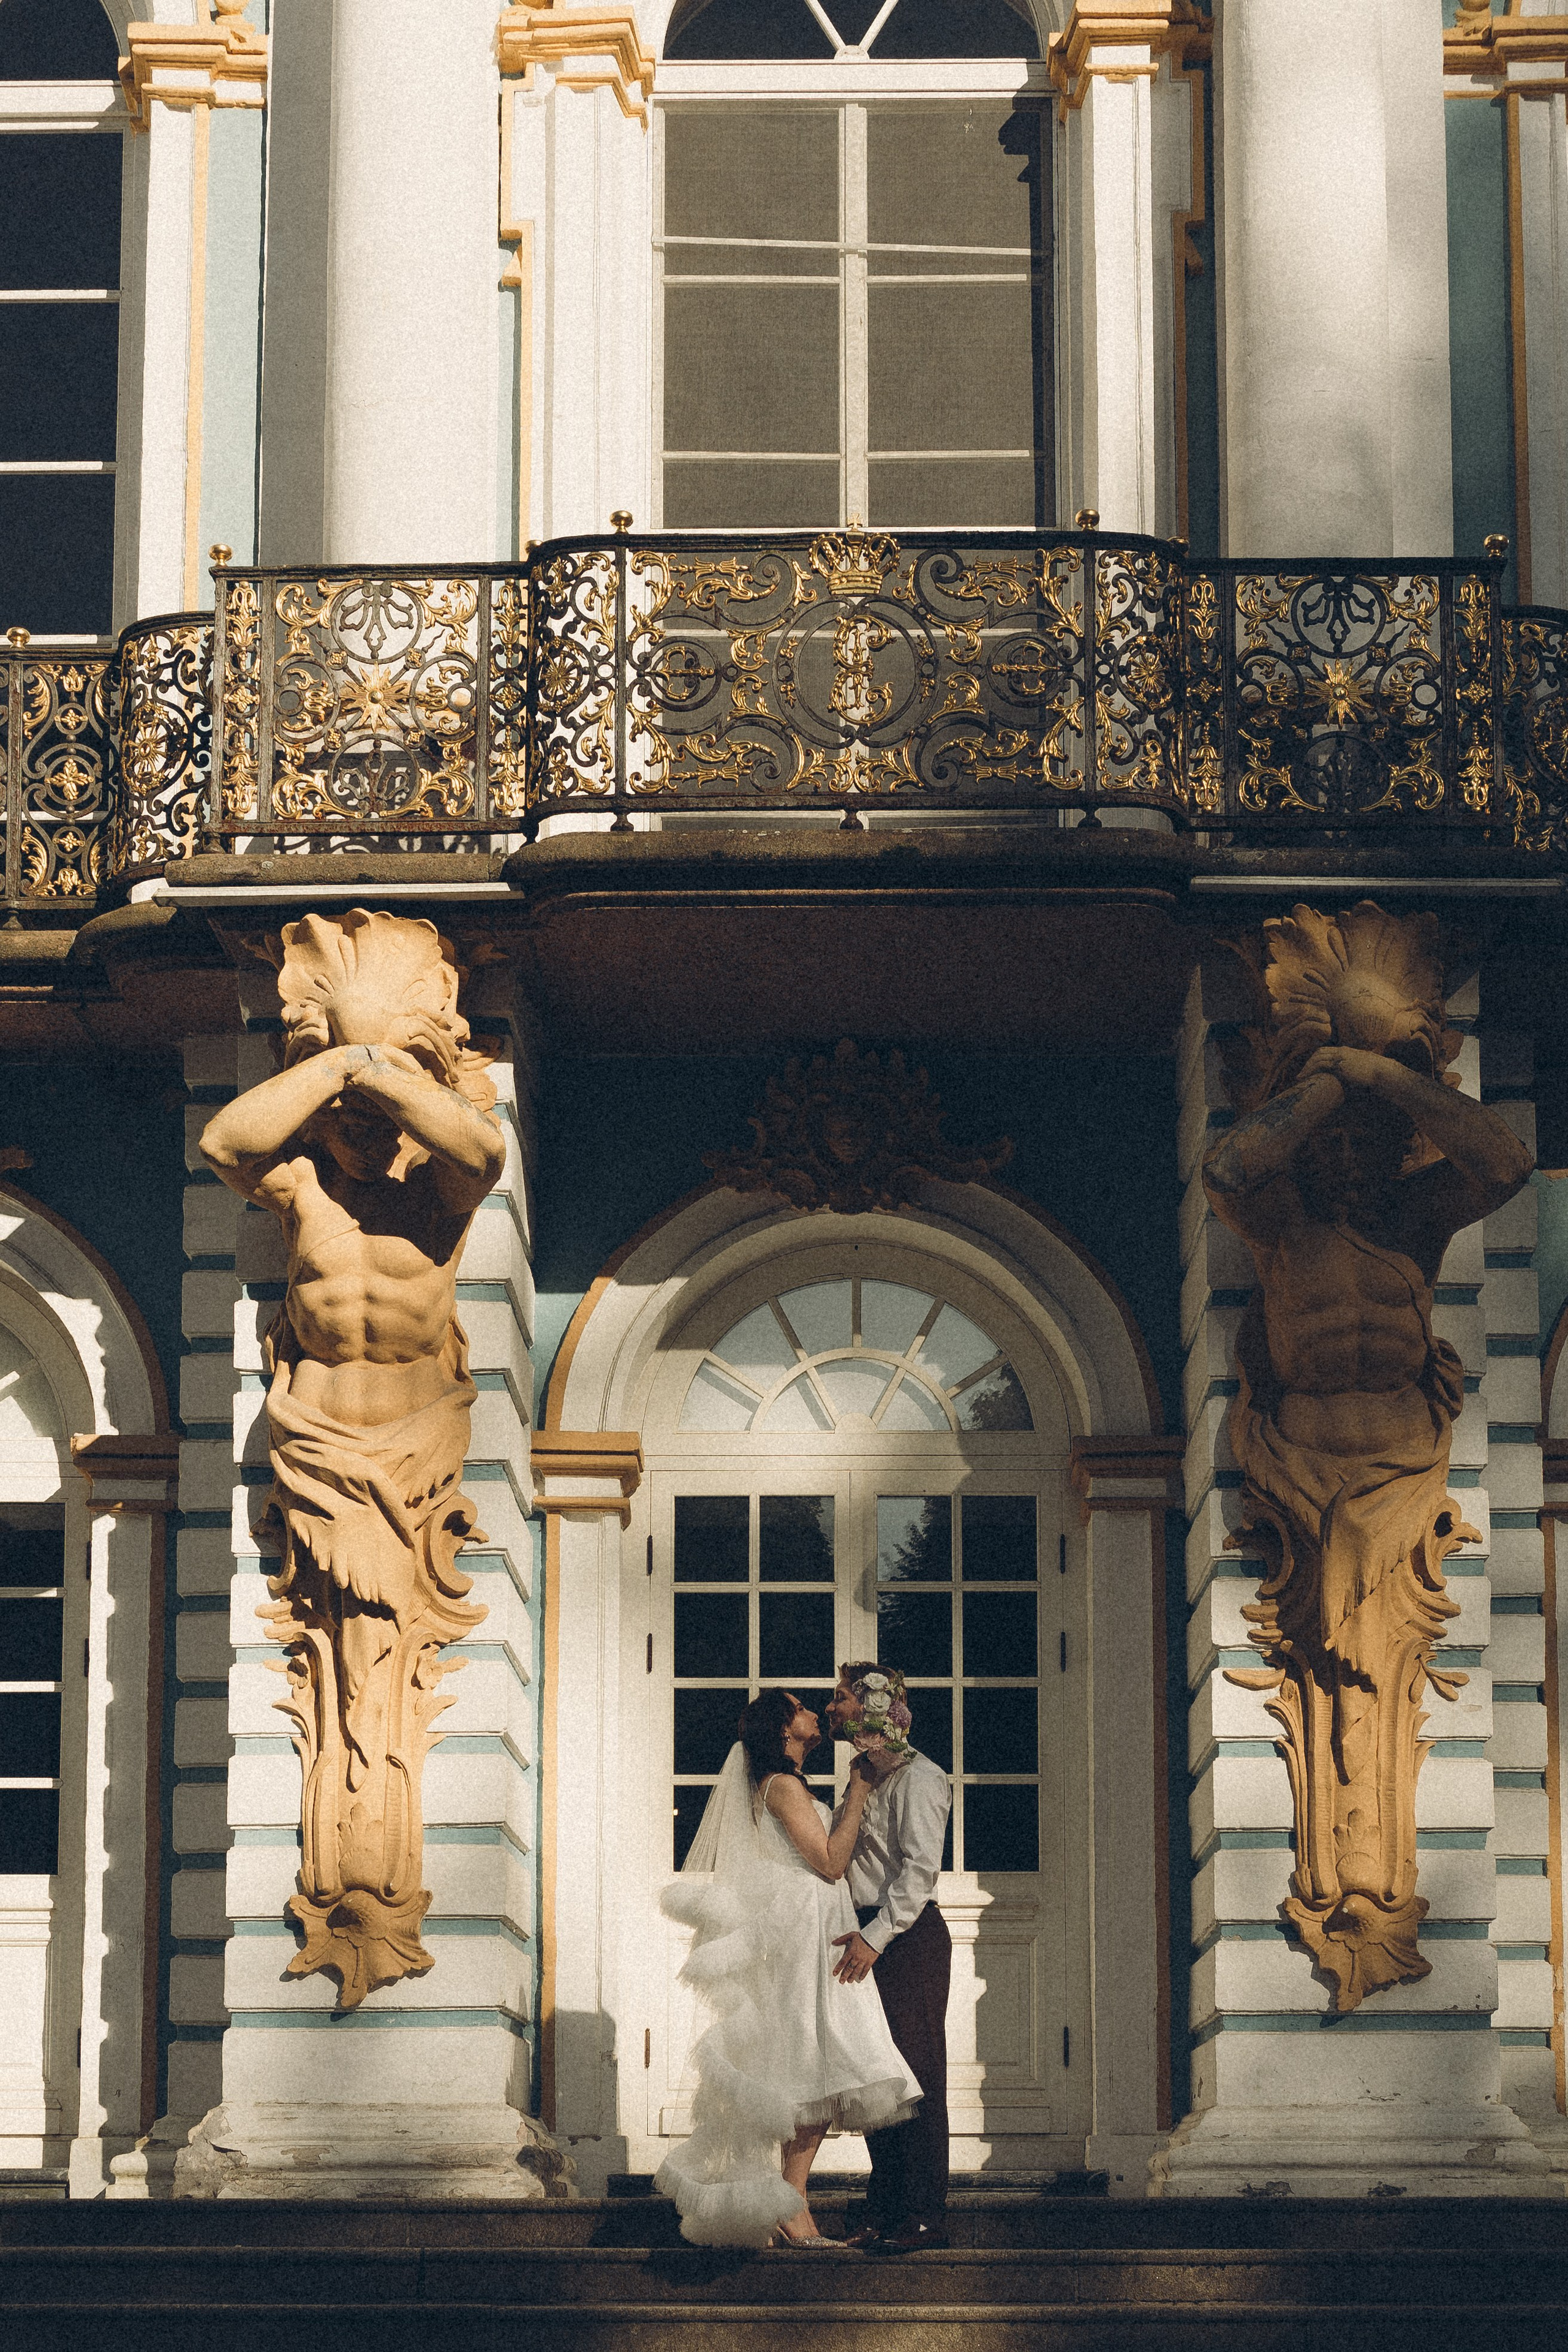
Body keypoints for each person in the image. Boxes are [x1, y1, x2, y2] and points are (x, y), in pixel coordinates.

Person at [657, 1690, 920, 2248]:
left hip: (815, 1925)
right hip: (807, 1931)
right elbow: (829, 1861)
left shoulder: (782, 1784)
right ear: (784, 1729)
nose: (814, 1713)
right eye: (802, 1707)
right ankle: (792, 2206)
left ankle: (789, 2203)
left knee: (821, 2063)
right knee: (818, 2062)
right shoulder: (782, 1785)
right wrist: (858, 1792)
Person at [826, 1660, 953, 2253]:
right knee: (879, 2078)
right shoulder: (862, 1776)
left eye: (841, 1698)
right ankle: (885, 2206)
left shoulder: (922, 1778)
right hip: (862, 1935)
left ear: (874, 1707)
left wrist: (875, 1938)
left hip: (905, 1939)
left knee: (918, 2077)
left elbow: (919, 1873)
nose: (832, 1708)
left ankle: (923, 2214)